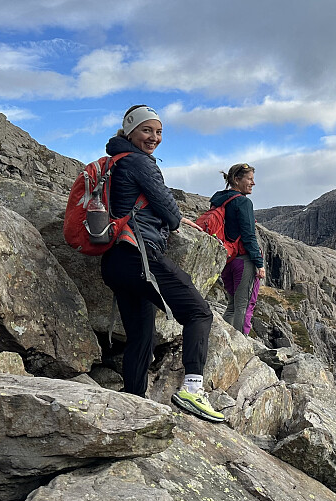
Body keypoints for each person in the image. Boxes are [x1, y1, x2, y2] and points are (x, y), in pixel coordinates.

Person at [100, 104, 224, 423]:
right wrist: (172, 216)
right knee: (198, 312)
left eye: (158, 132)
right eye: (146, 130)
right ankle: (192, 389)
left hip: (114, 262)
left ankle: (133, 406)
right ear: (130, 131)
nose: (154, 137)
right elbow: (169, 215)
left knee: (142, 337)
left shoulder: (114, 162)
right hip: (139, 257)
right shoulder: (140, 162)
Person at [211, 163, 265, 335]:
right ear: (236, 179)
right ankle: (242, 345)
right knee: (244, 305)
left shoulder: (219, 200)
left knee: (232, 305)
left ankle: (226, 342)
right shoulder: (243, 202)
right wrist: (259, 263)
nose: (253, 183)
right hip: (243, 260)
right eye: (249, 179)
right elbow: (248, 236)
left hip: (227, 259)